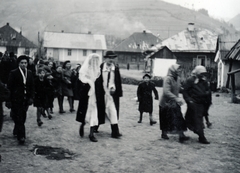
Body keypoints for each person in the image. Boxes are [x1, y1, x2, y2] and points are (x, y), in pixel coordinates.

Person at [6, 55, 34, 144]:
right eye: (22, 63)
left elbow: (32, 87)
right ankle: (21, 136)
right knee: (19, 117)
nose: (24, 64)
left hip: (25, 99)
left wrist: (31, 97)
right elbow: (9, 87)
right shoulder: (13, 73)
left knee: (23, 116)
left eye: (25, 63)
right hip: (16, 98)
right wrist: (8, 100)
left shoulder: (29, 73)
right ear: (18, 63)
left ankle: (16, 129)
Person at [95, 50, 123, 138]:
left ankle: (115, 132)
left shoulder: (115, 69)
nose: (111, 60)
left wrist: (117, 91)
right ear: (105, 58)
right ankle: (95, 127)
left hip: (111, 95)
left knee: (113, 111)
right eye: (109, 58)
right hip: (101, 94)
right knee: (100, 110)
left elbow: (118, 81)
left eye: (113, 58)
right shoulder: (100, 68)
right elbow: (96, 81)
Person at [159, 64, 189, 143]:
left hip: (174, 102)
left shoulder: (178, 78)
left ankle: (181, 135)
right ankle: (164, 133)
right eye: (178, 70)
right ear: (173, 70)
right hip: (165, 103)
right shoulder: (168, 79)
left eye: (180, 70)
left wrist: (186, 90)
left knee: (178, 117)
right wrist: (176, 98)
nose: (179, 71)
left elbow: (178, 88)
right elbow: (166, 92)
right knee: (165, 118)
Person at [76, 54, 102, 142]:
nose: (94, 62)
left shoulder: (98, 70)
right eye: (93, 60)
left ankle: (91, 134)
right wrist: (89, 83)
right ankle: (83, 124)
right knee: (85, 112)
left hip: (95, 96)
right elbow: (81, 80)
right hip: (87, 94)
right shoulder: (85, 70)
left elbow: (99, 82)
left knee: (94, 112)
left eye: (96, 61)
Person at [182, 65, 211, 144]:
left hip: (201, 103)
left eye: (204, 73)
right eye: (201, 73)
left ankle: (200, 135)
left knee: (198, 119)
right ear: (197, 72)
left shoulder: (204, 81)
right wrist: (189, 100)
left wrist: (207, 97)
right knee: (190, 118)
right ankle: (200, 135)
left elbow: (207, 91)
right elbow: (185, 91)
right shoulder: (190, 80)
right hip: (193, 103)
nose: (203, 75)